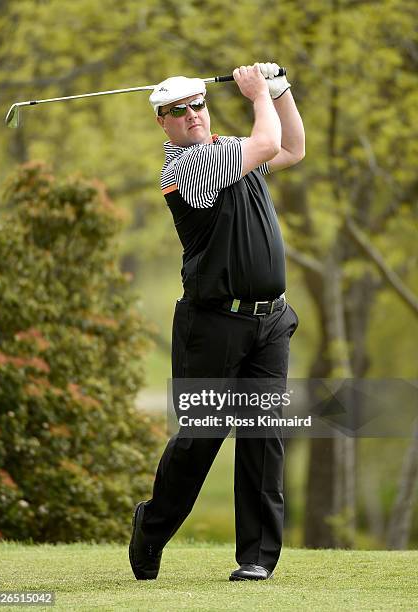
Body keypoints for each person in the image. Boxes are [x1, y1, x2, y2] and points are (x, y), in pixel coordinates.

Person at [129, 62, 305, 581]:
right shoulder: (185, 169)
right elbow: (268, 144)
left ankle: (256, 558)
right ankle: (153, 525)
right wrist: (257, 95)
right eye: (177, 112)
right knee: (201, 437)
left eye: (197, 105)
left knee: (262, 435)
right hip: (212, 325)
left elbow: (291, 148)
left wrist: (280, 90)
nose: (191, 116)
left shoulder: (232, 150)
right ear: (163, 123)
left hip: (269, 321)